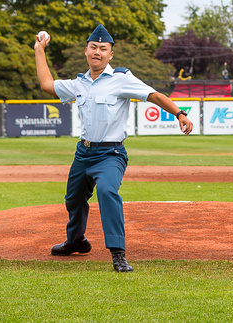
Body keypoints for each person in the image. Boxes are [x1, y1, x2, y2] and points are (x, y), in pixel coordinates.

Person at [34, 24, 193, 272]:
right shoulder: (79, 83)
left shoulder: (122, 80)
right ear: (86, 51)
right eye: (93, 47)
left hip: (111, 154)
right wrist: (39, 50)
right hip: (83, 153)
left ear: (110, 55)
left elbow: (154, 95)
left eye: (103, 49)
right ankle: (75, 241)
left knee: (107, 191)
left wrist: (179, 113)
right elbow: (47, 84)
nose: (97, 52)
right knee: (73, 200)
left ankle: (118, 253)